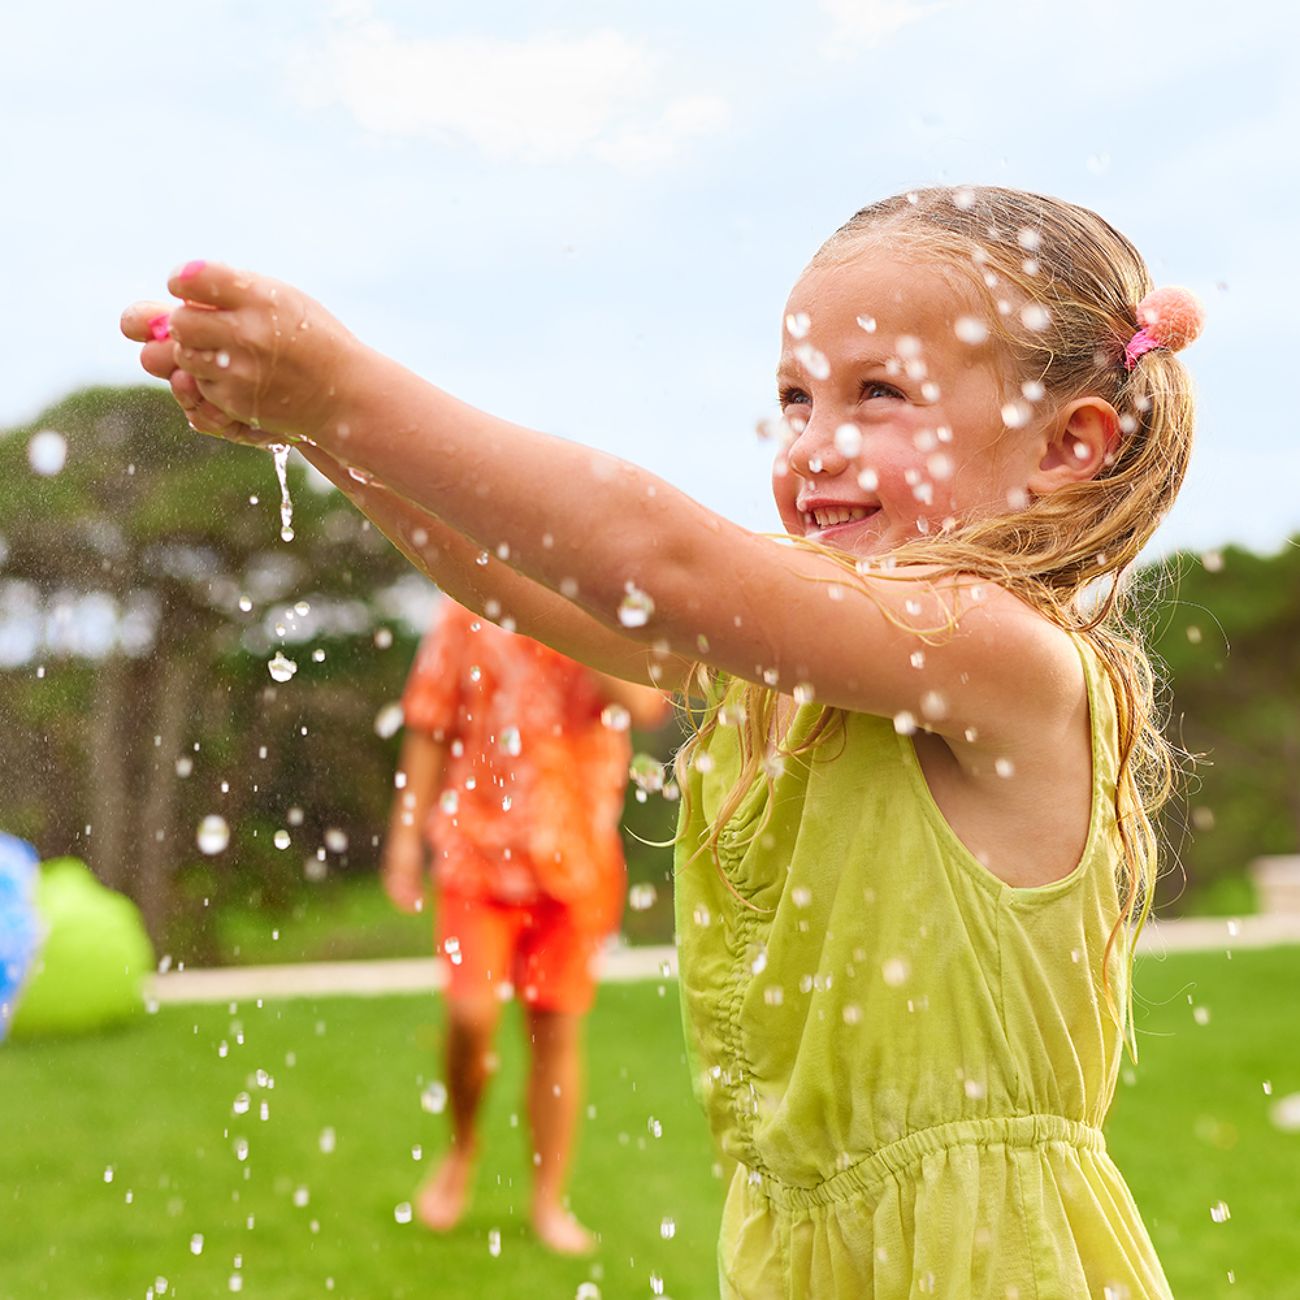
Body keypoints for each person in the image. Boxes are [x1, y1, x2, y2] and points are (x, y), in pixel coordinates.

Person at [123, 184, 1203, 1297]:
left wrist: (348, 388)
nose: (814, 445)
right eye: (794, 398)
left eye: (876, 394)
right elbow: (521, 584)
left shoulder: (999, 653)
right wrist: (322, 434)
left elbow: (662, 564)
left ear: (1067, 445)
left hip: (983, 1265)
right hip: (810, 1253)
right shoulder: (804, 670)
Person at [380, 598, 667, 1253]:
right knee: (470, 1017)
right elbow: (428, 724)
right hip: (475, 854)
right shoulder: (465, 608)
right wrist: (404, 839)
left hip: (576, 859)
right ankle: (461, 1147)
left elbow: (644, 705)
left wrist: (572, 616)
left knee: (556, 1034)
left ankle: (547, 1200)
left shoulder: (600, 605)